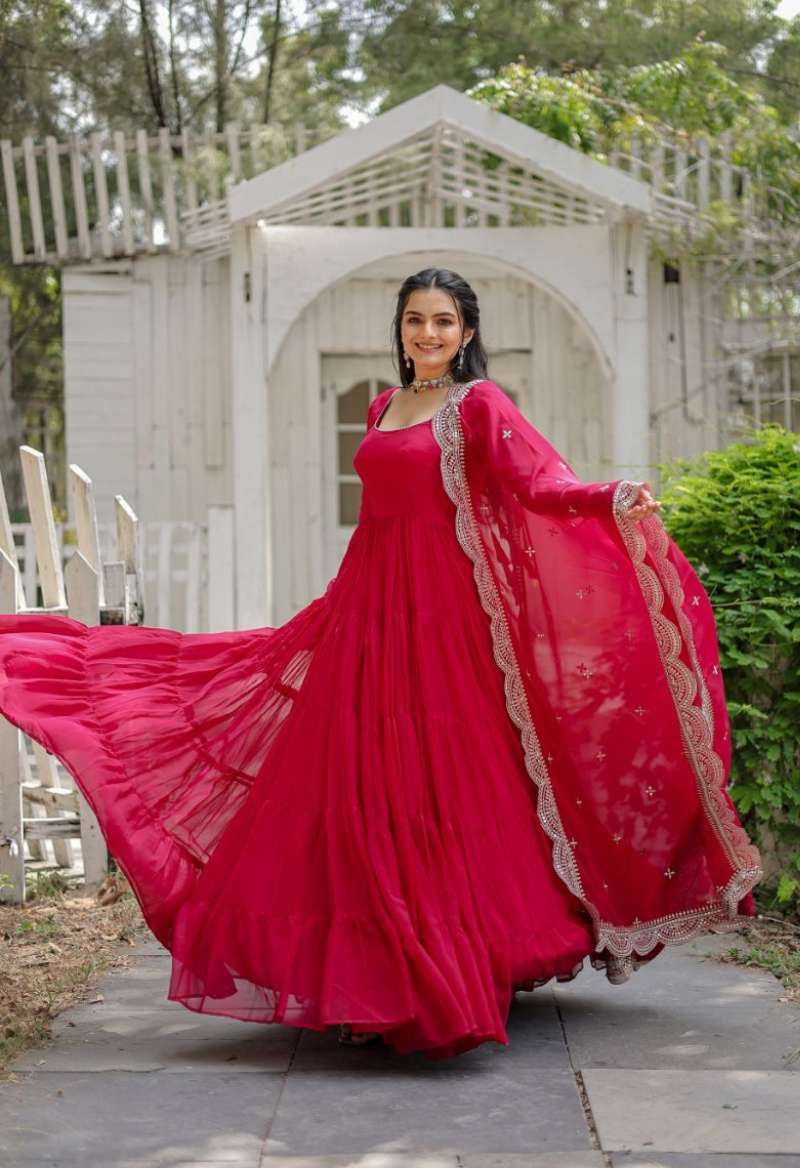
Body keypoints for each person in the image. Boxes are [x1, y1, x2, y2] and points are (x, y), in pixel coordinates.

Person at [0, 266, 761, 1060]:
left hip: (446, 621)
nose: (428, 333)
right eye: (414, 320)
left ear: (467, 333)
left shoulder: (479, 405)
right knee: (359, 785)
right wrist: (342, 604)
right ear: (400, 330)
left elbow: (539, 483)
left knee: (444, 784)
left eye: (443, 321)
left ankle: (452, 963)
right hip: (370, 609)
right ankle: (370, 975)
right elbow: (376, 519)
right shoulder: (382, 407)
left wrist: (610, 499)